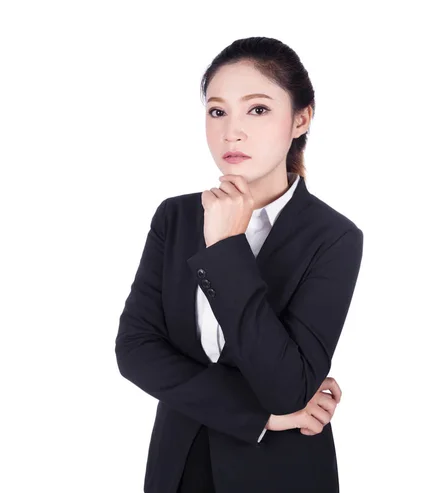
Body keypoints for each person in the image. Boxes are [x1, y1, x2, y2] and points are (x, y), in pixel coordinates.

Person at [115, 37, 364, 493]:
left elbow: (287, 386)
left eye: (258, 109)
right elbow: (135, 351)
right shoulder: (175, 217)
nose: (232, 132)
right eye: (217, 111)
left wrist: (226, 247)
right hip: (178, 466)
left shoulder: (334, 237)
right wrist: (257, 416)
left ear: (301, 118)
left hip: (281, 473)